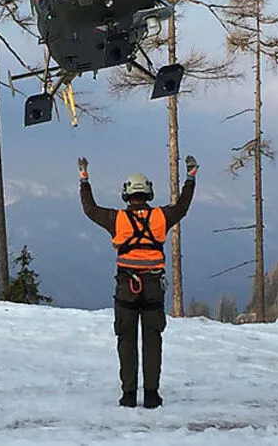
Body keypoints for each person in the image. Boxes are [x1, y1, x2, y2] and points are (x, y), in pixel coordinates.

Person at [78, 154, 197, 409]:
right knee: (152, 339)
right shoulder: (160, 217)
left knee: (126, 339)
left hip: (126, 287)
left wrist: (84, 179)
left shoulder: (117, 219)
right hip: (153, 286)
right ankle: (152, 395)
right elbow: (182, 207)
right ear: (148, 193)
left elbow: (90, 209)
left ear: (127, 194)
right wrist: (190, 177)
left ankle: (129, 395)